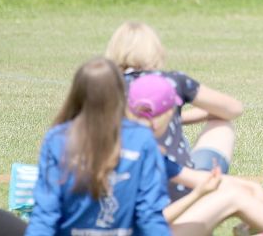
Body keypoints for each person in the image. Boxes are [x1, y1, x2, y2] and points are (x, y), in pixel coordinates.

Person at [125, 74, 263, 235]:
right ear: (169, 113)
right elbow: (149, 221)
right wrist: (197, 195)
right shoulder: (145, 153)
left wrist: (249, 187)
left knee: (236, 194)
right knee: (233, 198)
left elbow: (194, 177)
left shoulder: (129, 144)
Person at [25, 58, 170, 235]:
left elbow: (45, 215)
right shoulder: (141, 138)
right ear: (121, 93)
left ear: (76, 93)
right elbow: (149, 214)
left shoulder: (57, 139)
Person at [105, 21, 244, 199]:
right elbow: (233, 108)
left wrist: (176, 118)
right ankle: (204, 186)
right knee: (221, 123)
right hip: (180, 191)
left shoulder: (104, 84)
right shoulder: (171, 81)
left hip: (119, 189)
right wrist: (173, 118)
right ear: (155, 51)